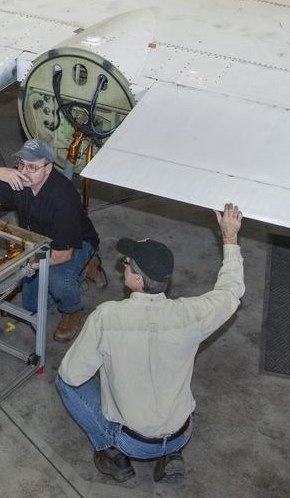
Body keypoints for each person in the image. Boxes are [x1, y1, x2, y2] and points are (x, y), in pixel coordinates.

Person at [56, 204, 245, 485]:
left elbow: (73, 375)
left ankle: (111, 453)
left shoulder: (108, 316)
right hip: (183, 430)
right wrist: (230, 238)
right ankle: (171, 454)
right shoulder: (191, 315)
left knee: (65, 381)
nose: (124, 266)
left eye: (126, 263)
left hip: (134, 443)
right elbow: (231, 291)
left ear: (137, 279)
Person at [0, 139, 101, 343]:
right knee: (32, 304)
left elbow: (62, 255)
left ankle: (72, 309)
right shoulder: (18, 180)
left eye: (32, 167)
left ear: (48, 168)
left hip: (74, 244)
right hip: (39, 243)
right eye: (21, 164)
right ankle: (84, 270)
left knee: (58, 282)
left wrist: (22, 264)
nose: (24, 171)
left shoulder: (63, 198)